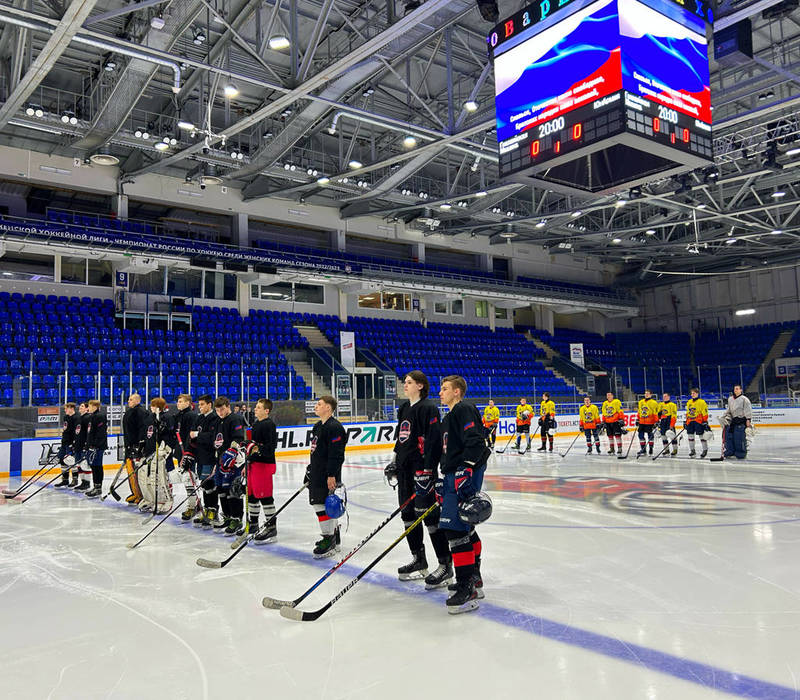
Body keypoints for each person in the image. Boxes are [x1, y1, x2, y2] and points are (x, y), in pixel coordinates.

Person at [387, 371, 451, 588]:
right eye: (405, 382)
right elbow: (400, 438)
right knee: (407, 515)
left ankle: (445, 564)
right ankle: (419, 558)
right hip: (405, 471)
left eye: (409, 382)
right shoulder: (404, 408)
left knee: (429, 517)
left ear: (421, 386)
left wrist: (428, 470)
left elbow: (433, 440)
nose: (405, 385)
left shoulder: (428, 408)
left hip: (422, 471)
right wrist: (394, 461)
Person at [438, 375, 490, 614]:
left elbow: (477, 442)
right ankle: (472, 578)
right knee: (463, 527)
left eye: (445, 388)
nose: (440, 392)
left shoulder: (464, 409)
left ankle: (466, 585)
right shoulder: (448, 417)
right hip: (453, 474)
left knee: (455, 529)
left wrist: (466, 467)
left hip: (463, 472)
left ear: (457, 392)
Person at [305, 395, 348, 558]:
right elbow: (315, 451)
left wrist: (332, 475)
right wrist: (310, 470)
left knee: (322, 505)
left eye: (319, 404)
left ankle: (328, 539)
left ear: (328, 408)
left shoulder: (335, 427)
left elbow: (337, 454)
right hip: (317, 473)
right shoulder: (318, 426)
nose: (316, 406)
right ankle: (334, 537)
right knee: (323, 504)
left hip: (327, 475)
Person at [242, 398, 279, 543]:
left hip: (263, 464)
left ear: (266, 411)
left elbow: (270, 447)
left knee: (265, 496)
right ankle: (254, 524)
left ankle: (271, 527)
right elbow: (253, 446)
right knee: (251, 495)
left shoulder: (269, 425)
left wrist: (256, 448)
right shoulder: (256, 424)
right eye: (256, 407)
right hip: (254, 464)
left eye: (258, 407)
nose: (255, 409)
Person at [211, 396, 246, 535]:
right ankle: (227, 516)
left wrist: (231, 453)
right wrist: (217, 461)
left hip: (233, 463)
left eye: (222, 409)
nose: (220, 412)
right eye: (217, 410)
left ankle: (236, 519)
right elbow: (217, 442)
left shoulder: (235, 419)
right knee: (221, 490)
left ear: (228, 406)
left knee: (233, 491)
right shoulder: (218, 421)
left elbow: (238, 438)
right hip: (220, 461)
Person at [138, 397, 176, 513]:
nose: (151, 407)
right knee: (148, 477)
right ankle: (151, 499)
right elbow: (146, 433)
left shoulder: (167, 418)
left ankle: (166, 500)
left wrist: (166, 448)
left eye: (154, 406)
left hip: (163, 452)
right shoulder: (150, 417)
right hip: (150, 452)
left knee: (162, 477)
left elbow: (170, 434)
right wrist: (142, 446)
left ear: (159, 407)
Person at [190, 394, 221, 527]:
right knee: (203, 484)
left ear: (209, 405)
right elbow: (191, 434)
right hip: (200, 456)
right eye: (199, 405)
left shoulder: (214, 418)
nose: (200, 407)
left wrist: (198, 435)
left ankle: (212, 510)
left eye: (202, 404)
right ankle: (207, 509)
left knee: (209, 484)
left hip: (209, 456)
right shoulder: (199, 418)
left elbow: (212, 437)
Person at [172, 394, 199, 522]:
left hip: (189, 453)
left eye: (181, 401)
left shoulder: (192, 416)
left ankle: (192, 506)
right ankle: (194, 504)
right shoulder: (178, 416)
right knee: (186, 479)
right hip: (180, 452)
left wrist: (189, 452)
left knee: (190, 479)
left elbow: (191, 436)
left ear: (188, 403)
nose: (178, 403)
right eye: (178, 401)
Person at [122, 393, 148, 505]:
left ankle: (140, 495)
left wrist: (139, 445)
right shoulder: (130, 412)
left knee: (138, 473)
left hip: (136, 447)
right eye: (128, 399)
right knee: (131, 471)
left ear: (137, 400)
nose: (129, 401)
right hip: (130, 446)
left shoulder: (141, 412)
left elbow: (143, 430)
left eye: (131, 399)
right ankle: (135, 493)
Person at [84, 399, 108, 498]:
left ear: (95, 406)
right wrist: (88, 445)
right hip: (92, 446)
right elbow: (90, 433)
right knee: (93, 466)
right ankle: (95, 486)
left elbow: (101, 433)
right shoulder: (92, 417)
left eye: (89, 406)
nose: (88, 408)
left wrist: (96, 445)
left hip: (98, 446)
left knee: (97, 466)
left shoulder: (100, 416)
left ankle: (98, 488)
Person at [721, 385, 752, 460]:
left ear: (741, 390)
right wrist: (723, 416)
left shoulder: (745, 399)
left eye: (737, 389)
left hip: (741, 420)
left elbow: (748, 410)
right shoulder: (730, 399)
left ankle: (740, 453)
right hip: (732, 421)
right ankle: (730, 451)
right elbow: (729, 409)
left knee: (739, 438)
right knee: (730, 437)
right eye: (735, 389)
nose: (735, 390)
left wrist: (748, 419)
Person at [54, 402, 78, 488]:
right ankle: (65, 480)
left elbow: (77, 432)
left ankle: (75, 479)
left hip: (71, 442)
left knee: (71, 460)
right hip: (64, 442)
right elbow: (65, 429)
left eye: (66, 408)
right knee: (62, 459)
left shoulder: (76, 417)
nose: (65, 410)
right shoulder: (66, 417)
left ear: (71, 408)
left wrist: (74, 443)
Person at [72, 401, 92, 491]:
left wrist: (86, 444)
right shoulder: (79, 418)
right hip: (78, 444)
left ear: (87, 408)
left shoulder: (88, 418)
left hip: (83, 444)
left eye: (82, 406)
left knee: (85, 464)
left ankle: (86, 483)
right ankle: (82, 481)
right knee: (79, 464)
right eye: (80, 406)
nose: (80, 407)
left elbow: (89, 433)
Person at [684, 388, 710, 458]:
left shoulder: (702, 402)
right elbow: (687, 412)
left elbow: (705, 413)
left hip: (698, 421)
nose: (692, 394)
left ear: (697, 394)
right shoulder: (689, 402)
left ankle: (705, 450)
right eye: (691, 393)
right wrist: (686, 421)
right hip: (690, 421)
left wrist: (704, 421)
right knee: (690, 436)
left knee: (702, 436)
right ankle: (692, 450)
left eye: (694, 393)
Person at [636, 389, 659, 456]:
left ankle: (651, 449)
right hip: (642, 422)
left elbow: (655, 413)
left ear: (651, 395)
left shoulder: (654, 402)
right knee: (640, 435)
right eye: (645, 393)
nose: (646, 394)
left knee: (650, 436)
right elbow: (639, 411)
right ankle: (643, 450)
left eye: (648, 393)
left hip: (650, 422)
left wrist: (656, 421)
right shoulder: (641, 402)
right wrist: (638, 419)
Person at [657, 392, 678, 457]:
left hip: (669, 421)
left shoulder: (673, 405)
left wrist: (672, 424)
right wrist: (658, 419)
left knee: (672, 436)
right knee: (663, 436)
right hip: (663, 422)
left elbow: (674, 416)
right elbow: (658, 414)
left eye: (665, 396)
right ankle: (666, 450)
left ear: (669, 397)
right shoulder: (660, 404)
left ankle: (675, 450)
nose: (664, 398)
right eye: (663, 397)